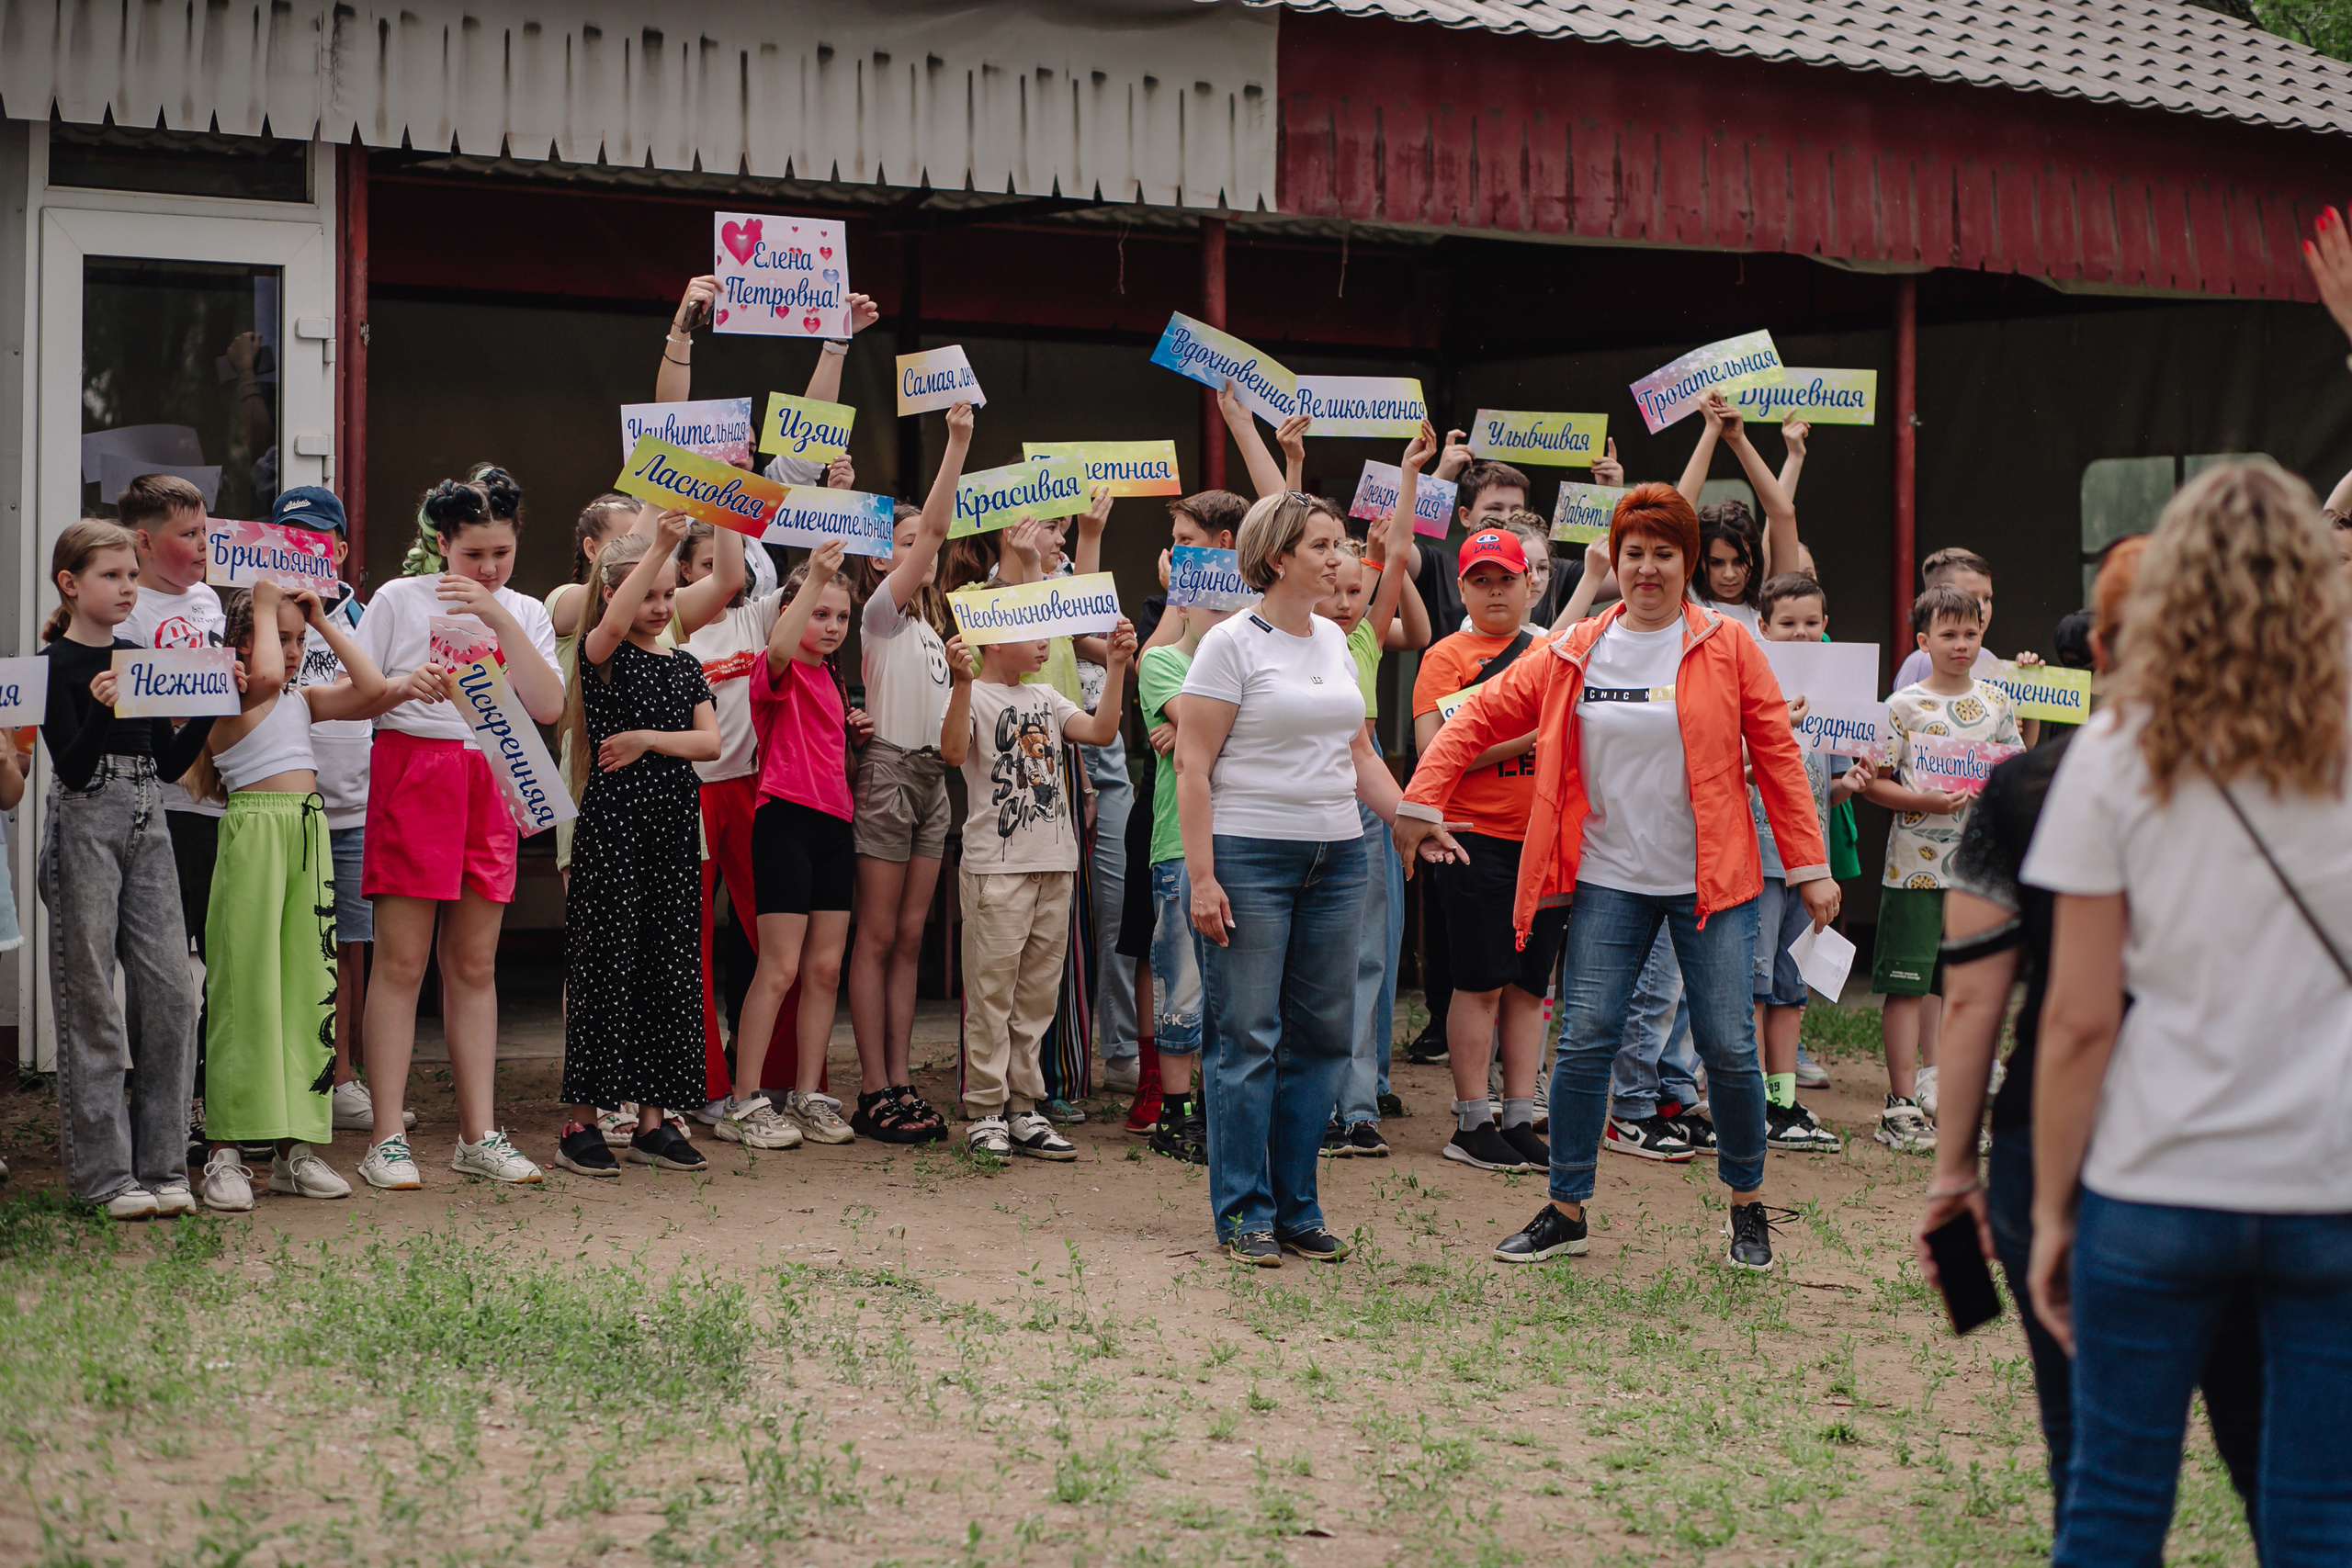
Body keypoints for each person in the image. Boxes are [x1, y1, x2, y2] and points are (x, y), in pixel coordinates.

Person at [2023, 461, 2347, 1563]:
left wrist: (2055, 1212)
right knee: (2319, 1518)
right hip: (2329, 1185)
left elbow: (2074, 1021)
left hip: (2156, 1180)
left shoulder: (2116, 754)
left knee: (2114, 1505)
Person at [1917, 536, 2263, 1543]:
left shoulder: (2027, 788)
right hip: (2243, 1142)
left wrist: (1951, 1174)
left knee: (2094, 1464)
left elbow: (1975, 1002)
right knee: (2272, 1452)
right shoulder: (2288, 775)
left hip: (2056, 1149)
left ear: (2100, 650)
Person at [1396, 482, 1835, 1272]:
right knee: (1588, 1038)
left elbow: (1775, 756)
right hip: (1608, 878)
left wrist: (1810, 866)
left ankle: (1747, 1205)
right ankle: (1566, 1208)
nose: (1647, 569)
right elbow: (1475, 716)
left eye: (1665, 554)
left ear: (1686, 563)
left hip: (1712, 883)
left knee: (1731, 1050)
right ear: (1616, 561)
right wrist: (1421, 799)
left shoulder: (1730, 647)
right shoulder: (1574, 647)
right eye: (1634, 554)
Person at [1177, 492, 1411, 1267]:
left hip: (1341, 857)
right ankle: (1245, 1210)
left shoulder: (1337, 643)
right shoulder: (1229, 645)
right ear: (1278, 557)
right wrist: (1204, 877)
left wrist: (1412, 818)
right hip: (1250, 856)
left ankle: (1298, 1206)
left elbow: (1361, 757)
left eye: (1339, 543)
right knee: (1247, 1038)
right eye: (1323, 544)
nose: (1339, 557)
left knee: (1321, 1040)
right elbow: (1193, 765)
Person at [351, 471, 566, 1190]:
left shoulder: (527, 610)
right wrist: (400, 685)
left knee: (475, 963)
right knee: (401, 961)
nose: (489, 568)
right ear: (441, 542)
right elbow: (354, 692)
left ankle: (480, 1133)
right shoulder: (395, 599)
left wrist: (498, 614)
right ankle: (386, 1135)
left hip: (494, 773)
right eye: (474, 554)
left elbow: (548, 704)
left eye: (501, 552)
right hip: (415, 768)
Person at [185, 581, 388, 1211]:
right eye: (285, 637)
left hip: (307, 833)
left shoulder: (301, 698)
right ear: (243, 643)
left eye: (300, 640)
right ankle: (225, 1151)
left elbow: (374, 689)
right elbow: (267, 676)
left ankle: (294, 1149)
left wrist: (324, 622)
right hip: (255, 838)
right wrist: (268, 597)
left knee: (306, 989)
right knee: (245, 993)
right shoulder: (231, 695)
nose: (295, 652)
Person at [37, 520, 218, 1219]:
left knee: (173, 989)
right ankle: (104, 1177)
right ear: (70, 583)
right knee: (92, 1000)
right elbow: (74, 767)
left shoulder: (140, 655)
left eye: (132, 576)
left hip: (150, 813)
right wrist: (104, 707)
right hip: (86, 817)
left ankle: (164, 1166)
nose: (126, 588)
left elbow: (170, 765)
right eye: (112, 576)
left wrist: (206, 708)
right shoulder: (51, 665)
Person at [552, 521, 722, 1179]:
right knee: (603, 969)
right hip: (614, 831)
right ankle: (582, 1122)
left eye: (666, 592)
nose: (659, 605)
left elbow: (710, 744)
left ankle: (654, 1120)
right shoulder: (604, 655)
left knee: (668, 969)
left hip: (673, 833)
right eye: (643, 594)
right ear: (616, 596)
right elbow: (606, 630)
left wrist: (649, 738)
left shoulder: (684, 665)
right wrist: (658, 546)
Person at [941, 614, 1136, 1158]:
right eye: (1033, 633)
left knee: (1036, 998)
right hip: (995, 869)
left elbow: (1101, 731)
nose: (1045, 642)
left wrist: (1116, 666)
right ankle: (984, 1108)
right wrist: (959, 684)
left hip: (1056, 863)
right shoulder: (974, 694)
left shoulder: (1048, 696)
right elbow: (954, 753)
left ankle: (1023, 1107)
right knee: (991, 993)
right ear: (996, 640)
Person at [1412, 526, 1561, 1175]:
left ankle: (1519, 1115)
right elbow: (1436, 751)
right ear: (1461, 587)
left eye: (1508, 578)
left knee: (1530, 985)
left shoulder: (1553, 648)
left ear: (1532, 582)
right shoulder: (1447, 656)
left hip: (1546, 840)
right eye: (1482, 580)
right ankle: (1472, 1119)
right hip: (1472, 838)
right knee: (1478, 984)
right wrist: (1532, 733)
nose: (1496, 591)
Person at [842, 406, 973, 1143]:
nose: (920, 548)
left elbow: (933, 539)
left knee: (912, 938)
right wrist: (956, 443)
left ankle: (897, 1076)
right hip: (889, 772)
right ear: (878, 558)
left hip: (931, 781)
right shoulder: (880, 615)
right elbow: (932, 536)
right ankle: (871, 1085)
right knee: (878, 933)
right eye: (903, 541)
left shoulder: (928, 624)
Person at [1860, 584, 2021, 1153]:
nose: (1960, 644)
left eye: (1971, 634)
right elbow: (1873, 783)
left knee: (1959, 991)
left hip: (1977, 876)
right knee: (1905, 989)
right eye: (1948, 635)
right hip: (1913, 872)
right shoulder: (1900, 708)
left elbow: (2014, 775)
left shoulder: (1998, 705)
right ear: (1923, 641)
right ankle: (1900, 1106)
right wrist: (1921, 803)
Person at [271, 487, 405, 1140]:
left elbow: (381, 690)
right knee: (289, 945)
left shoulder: (364, 615)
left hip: (355, 814)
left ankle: (344, 1078)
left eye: (317, 539)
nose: (303, 551)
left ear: (343, 547)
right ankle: (294, 1075)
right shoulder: (260, 618)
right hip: (283, 811)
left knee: (350, 949)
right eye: (289, 537)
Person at [729, 541, 869, 1147]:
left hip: (836, 827)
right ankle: (743, 1101)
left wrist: (854, 732)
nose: (832, 625)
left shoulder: (835, 679)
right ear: (794, 611)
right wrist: (813, 576)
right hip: (784, 819)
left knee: (824, 968)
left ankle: (808, 1094)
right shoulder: (775, 665)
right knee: (779, 966)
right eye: (820, 612)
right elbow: (782, 646)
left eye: (841, 616)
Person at [1318, 433, 1423, 1158]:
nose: (1350, 601)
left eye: (1360, 589)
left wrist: (1412, 476)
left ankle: (1356, 1105)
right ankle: (1312, 1103)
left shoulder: (1361, 644)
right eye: (1335, 587)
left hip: (1367, 801)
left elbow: (1393, 582)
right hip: (1297, 806)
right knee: (1312, 962)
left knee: (1365, 958)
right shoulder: (1266, 641)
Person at [1750, 572, 1864, 1154]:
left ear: (1826, 628)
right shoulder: (1746, 687)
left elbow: (1828, 786)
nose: (1800, 634)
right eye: (1787, 624)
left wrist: (1852, 781)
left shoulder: (1832, 698)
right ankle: (1744, 1100)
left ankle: (1781, 1101)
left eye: (1812, 624)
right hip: (1757, 862)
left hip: (1809, 866)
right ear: (1762, 628)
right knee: (1752, 983)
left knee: (1792, 988)